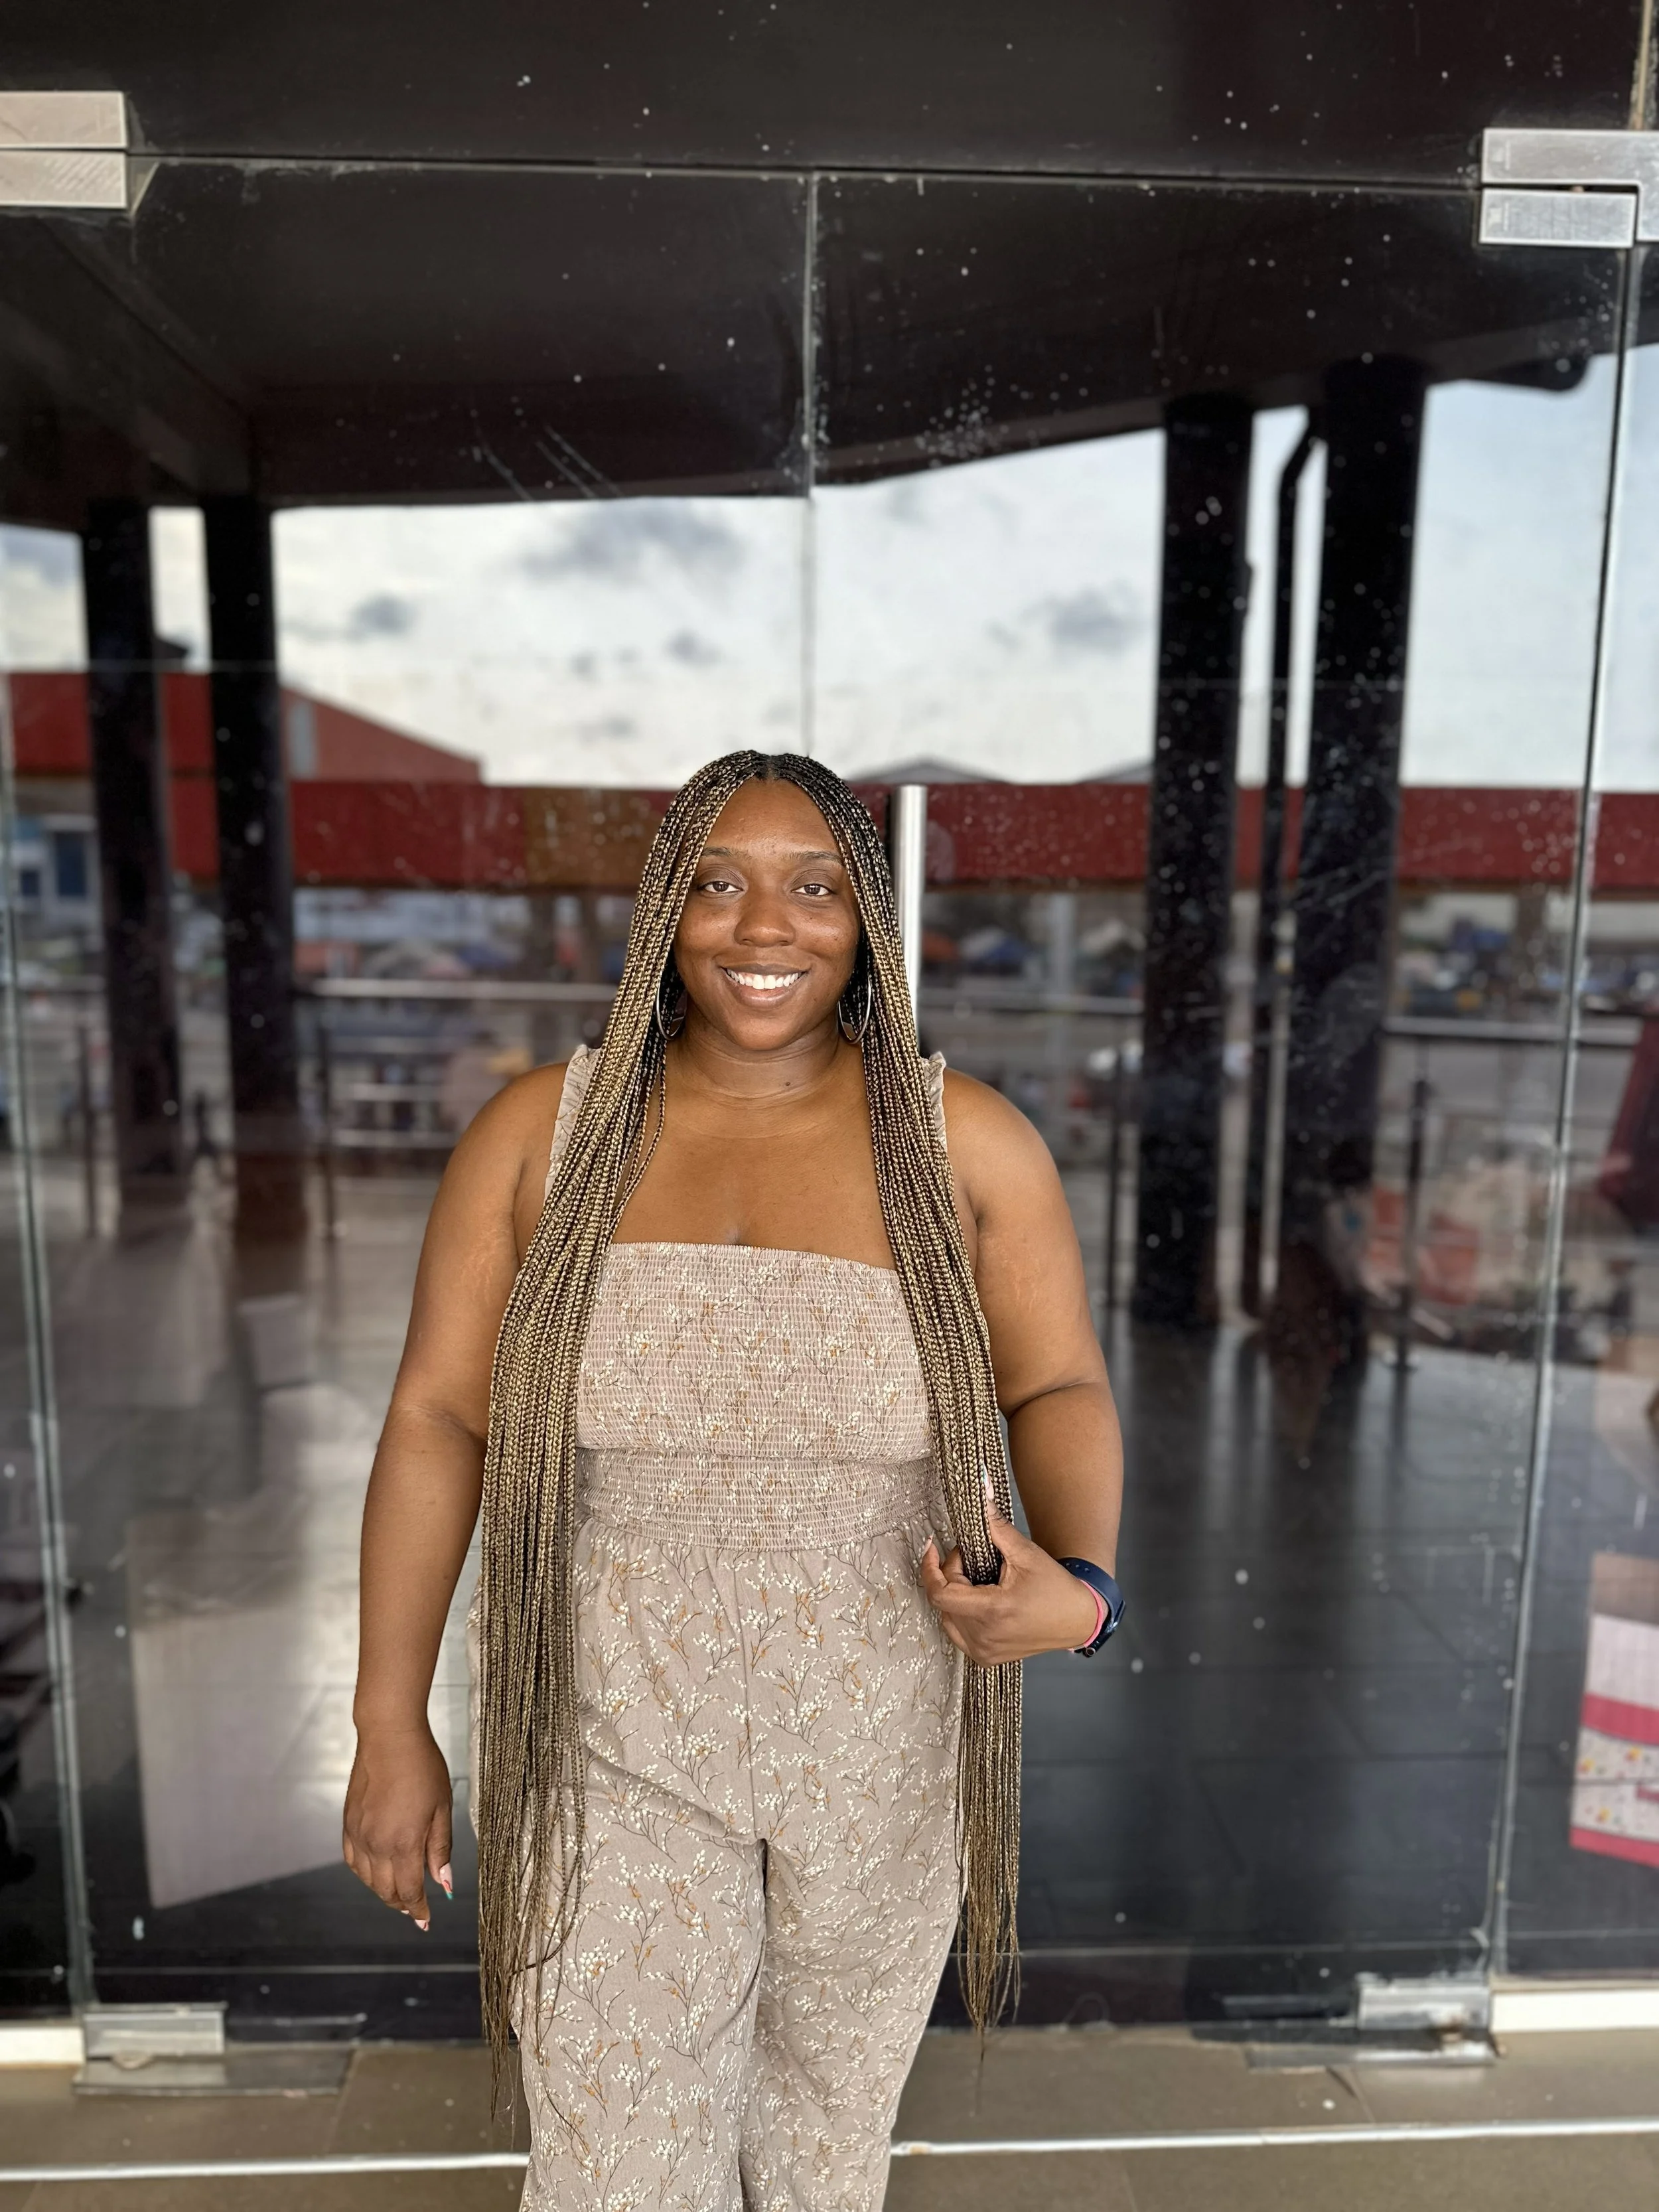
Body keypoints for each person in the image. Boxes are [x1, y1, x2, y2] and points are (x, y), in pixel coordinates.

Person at [342, 752, 1123, 2211]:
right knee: (618, 2157)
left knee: (822, 2150)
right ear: (660, 913)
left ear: (868, 919)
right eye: (716, 883)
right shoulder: (541, 1137)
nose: (763, 928)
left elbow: (1056, 1384)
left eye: (813, 887)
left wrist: (1080, 1590)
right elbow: (439, 1416)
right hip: (606, 1714)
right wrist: (390, 1718)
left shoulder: (965, 1145)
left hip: (880, 1725)